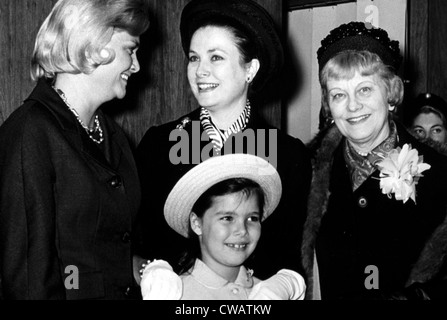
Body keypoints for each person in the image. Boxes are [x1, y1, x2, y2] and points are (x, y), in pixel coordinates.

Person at [134, 0, 311, 282]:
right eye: (194, 58)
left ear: (250, 69)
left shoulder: (287, 155)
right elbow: (135, 244)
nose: (200, 71)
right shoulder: (160, 145)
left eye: (215, 57)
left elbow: (290, 258)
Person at [0, 0, 149, 299]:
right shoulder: (31, 133)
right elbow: (29, 283)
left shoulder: (114, 137)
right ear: (93, 43)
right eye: (130, 50)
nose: (136, 66)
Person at [301, 21, 447, 300]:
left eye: (365, 89)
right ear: (328, 106)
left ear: (391, 94)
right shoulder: (306, 171)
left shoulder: (441, 175)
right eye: (339, 95)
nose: (353, 106)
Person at [139, 153, 305, 300]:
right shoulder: (173, 294)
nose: (242, 230)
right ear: (197, 223)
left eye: (252, 218)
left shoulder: (270, 292)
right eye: (227, 218)